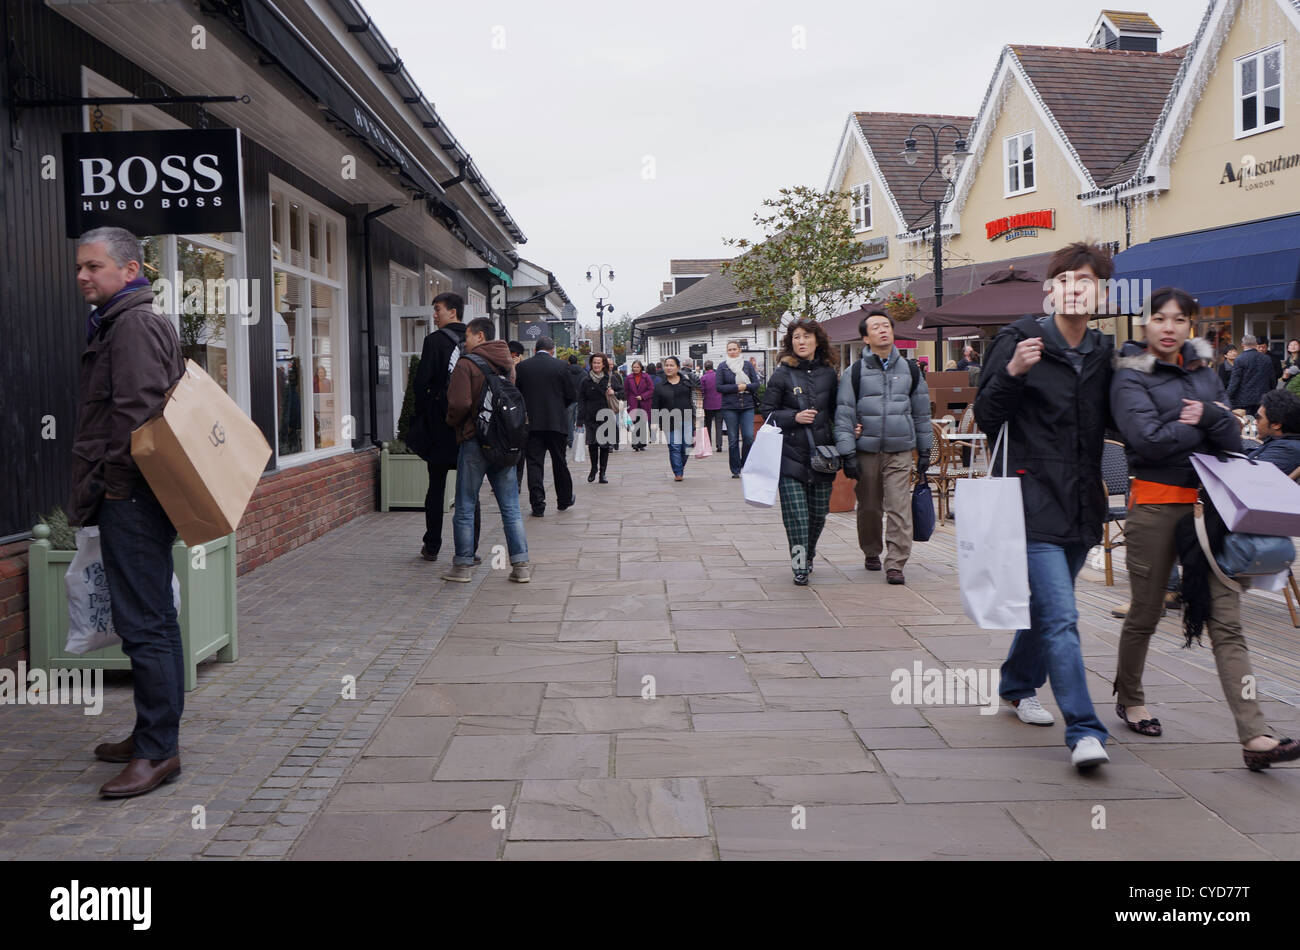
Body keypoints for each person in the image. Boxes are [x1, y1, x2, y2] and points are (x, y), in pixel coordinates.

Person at [1110, 287, 1299, 769]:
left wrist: (1213, 415)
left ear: (1190, 325)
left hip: (1210, 511)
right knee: (1146, 613)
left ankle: (1255, 735)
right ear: (1146, 324)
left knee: (1228, 622)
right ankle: (1129, 697)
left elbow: (1232, 436)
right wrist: (1205, 423)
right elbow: (1146, 441)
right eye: (1158, 318)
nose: (1168, 327)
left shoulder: (1205, 372)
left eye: (1179, 319)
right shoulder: (1131, 373)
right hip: (1154, 507)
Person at [974, 241, 1115, 770]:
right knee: (1062, 615)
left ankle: (1015, 683)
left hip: (1082, 503)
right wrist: (1012, 372)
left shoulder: (1104, 353)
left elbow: (1121, 422)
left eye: (1087, 281)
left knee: (1043, 609)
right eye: (1067, 281)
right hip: (1030, 499)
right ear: (1050, 289)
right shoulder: (1020, 339)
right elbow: (987, 417)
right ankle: (1084, 729)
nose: (1076, 290)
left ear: (1099, 292)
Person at [70, 227, 185, 798]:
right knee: (152, 618)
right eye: (80, 268)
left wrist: (114, 490)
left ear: (131, 269)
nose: (83, 276)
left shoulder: (134, 324)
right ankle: (150, 736)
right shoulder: (125, 320)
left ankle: (159, 751)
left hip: (133, 497)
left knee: (145, 625)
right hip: (134, 494)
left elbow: (135, 416)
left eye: (94, 266)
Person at [834, 309, 932, 585]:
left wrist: (925, 450)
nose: (883, 330)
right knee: (869, 507)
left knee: (899, 506)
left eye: (886, 325)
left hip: (899, 450)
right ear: (865, 337)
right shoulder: (854, 373)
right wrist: (847, 453)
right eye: (875, 327)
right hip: (866, 451)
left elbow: (922, 414)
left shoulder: (911, 370)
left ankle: (896, 563)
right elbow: (844, 415)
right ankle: (871, 550)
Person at [442, 317, 531, 583]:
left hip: (474, 441)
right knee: (511, 507)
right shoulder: (508, 364)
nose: (464, 341)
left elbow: (459, 403)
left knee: (466, 506)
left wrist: (451, 422)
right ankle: (521, 566)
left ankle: (463, 566)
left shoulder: (466, 364)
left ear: (480, 336)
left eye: (467, 336)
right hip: (504, 442)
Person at [761, 320, 840, 585]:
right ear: (790, 342)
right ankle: (799, 564)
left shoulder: (829, 374)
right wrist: (794, 417)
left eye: (806, 336)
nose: (801, 341)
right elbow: (767, 413)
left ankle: (808, 554)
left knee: (818, 514)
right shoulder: (781, 374)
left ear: (818, 341)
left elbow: (839, 412)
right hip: (789, 455)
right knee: (796, 517)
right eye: (796, 337)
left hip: (822, 456)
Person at [411, 292, 479, 563]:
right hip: (471, 425)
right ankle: (470, 549)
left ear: (453, 312)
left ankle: (432, 545)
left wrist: (422, 416)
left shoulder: (434, 341)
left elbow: (420, 384)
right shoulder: (475, 340)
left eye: (438, 309)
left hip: (441, 424)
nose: (434, 314)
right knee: (469, 490)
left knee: (436, 486)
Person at [514, 336, 577, 517]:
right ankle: (564, 499)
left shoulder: (522, 368)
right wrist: (558, 408)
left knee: (534, 463)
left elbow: (518, 395)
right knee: (559, 462)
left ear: (534, 350)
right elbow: (571, 395)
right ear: (552, 350)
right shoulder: (561, 366)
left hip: (532, 424)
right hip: (556, 422)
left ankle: (538, 504)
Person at [717, 341, 760, 478]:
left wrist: (746, 387)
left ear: (740, 350)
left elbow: (756, 384)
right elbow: (719, 387)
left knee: (748, 437)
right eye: (729, 349)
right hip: (730, 407)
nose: (732, 351)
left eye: (734, 349)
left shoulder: (747, 365)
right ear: (727, 351)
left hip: (747, 405)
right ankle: (735, 469)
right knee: (733, 439)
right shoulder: (722, 366)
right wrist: (736, 388)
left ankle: (746, 464)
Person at [579, 353, 622, 483]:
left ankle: (602, 473)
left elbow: (623, 393)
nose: (596, 365)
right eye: (594, 363)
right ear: (591, 364)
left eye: (599, 363)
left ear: (603, 364)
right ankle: (593, 468)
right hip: (590, 417)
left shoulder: (610, 379)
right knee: (592, 445)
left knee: (604, 446)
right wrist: (580, 419)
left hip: (606, 417)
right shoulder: (585, 380)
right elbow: (581, 400)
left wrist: (614, 392)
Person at [652, 356, 695, 481]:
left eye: (672, 365)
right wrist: (654, 422)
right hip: (668, 419)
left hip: (686, 417)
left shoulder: (687, 383)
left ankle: (679, 466)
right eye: (667, 365)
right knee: (675, 446)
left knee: (687, 445)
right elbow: (655, 405)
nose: (669, 368)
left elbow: (695, 399)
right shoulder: (660, 386)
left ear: (678, 367)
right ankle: (678, 472)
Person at [1248, 389, 1300, 473]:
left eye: (1258, 417)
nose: (1255, 421)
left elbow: (1251, 473)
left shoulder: (1286, 451)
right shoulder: (1282, 441)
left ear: (1276, 424)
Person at [1226, 334, 1274, 415]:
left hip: (1243, 400)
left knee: (1247, 424)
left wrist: (1227, 396)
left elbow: (1235, 382)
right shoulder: (1266, 358)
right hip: (1263, 398)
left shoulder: (1239, 359)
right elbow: (1272, 379)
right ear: (1255, 344)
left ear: (1242, 345)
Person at [624, 360, 655, 451]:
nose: (636, 369)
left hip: (644, 403)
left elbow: (651, 389)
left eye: (637, 367)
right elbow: (626, 391)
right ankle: (635, 443)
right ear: (632, 368)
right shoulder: (629, 378)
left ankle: (642, 443)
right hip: (633, 403)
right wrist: (627, 402)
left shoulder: (646, 377)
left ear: (641, 368)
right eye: (634, 367)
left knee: (642, 423)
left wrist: (643, 396)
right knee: (634, 423)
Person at [508, 341, 527, 486]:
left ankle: (517, 481)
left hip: (519, 414)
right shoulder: (501, 367)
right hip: (506, 413)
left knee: (519, 448)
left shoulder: (522, 370)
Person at [700, 360, 723, 451]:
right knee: (719, 425)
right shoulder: (718, 376)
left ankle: (708, 444)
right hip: (719, 403)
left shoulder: (703, 378)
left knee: (708, 425)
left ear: (705, 368)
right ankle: (719, 444)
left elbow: (702, 391)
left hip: (708, 404)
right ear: (713, 367)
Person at [565, 354, 584, 447]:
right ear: (577, 362)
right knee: (579, 421)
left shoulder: (565, 372)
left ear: (569, 362)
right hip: (580, 400)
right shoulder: (583, 372)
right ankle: (580, 440)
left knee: (569, 421)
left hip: (569, 400)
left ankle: (570, 441)